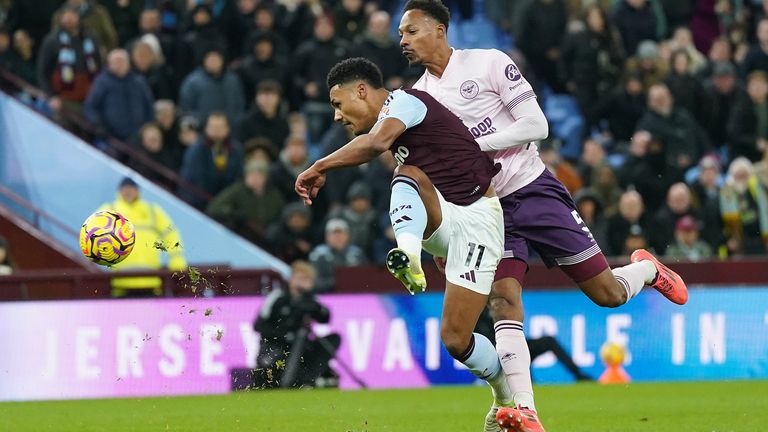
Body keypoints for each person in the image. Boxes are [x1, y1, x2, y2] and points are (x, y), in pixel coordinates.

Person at [397, 2, 688, 430]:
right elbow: (436, 175)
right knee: (503, 301)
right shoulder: (418, 100)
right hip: (486, 209)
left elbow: (537, 126)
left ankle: (644, 270)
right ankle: (526, 409)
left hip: (534, 190)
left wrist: (474, 147)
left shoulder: (489, 62)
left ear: (439, 29)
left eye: (411, 31)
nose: (402, 40)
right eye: (400, 34)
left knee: (606, 293)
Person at [295, 57, 517, 430]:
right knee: (406, 174)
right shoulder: (397, 121)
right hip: (447, 218)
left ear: (361, 91)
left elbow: (377, 142)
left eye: (338, 104)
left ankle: (505, 399)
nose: (337, 117)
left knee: (455, 338)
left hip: (480, 221)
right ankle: (411, 256)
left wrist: (319, 165)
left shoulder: (407, 102)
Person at [253, 260, 340, 389]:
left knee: (333, 339)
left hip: (302, 346)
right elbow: (259, 325)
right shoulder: (278, 297)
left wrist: (314, 307)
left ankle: (307, 380)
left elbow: (325, 318)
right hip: (277, 346)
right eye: (300, 279)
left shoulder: (311, 300)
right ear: (291, 279)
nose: (302, 284)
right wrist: (286, 334)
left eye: (307, 280)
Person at [97, 177, 186, 297]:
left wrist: (176, 258)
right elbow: (93, 235)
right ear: (119, 192)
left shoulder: (152, 210)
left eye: (131, 189)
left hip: (150, 281)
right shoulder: (109, 210)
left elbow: (171, 233)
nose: (128, 192)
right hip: (120, 282)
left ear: (138, 191)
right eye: (125, 189)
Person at [308, 218, 367, 293]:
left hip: (354, 295)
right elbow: (314, 282)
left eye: (341, 234)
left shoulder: (357, 254)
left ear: (347, 236)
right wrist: (339, 282)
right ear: (327, 237)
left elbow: (366, 279)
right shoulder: (318, 255)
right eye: (334, 234)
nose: (338, 237)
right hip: (327, 295)